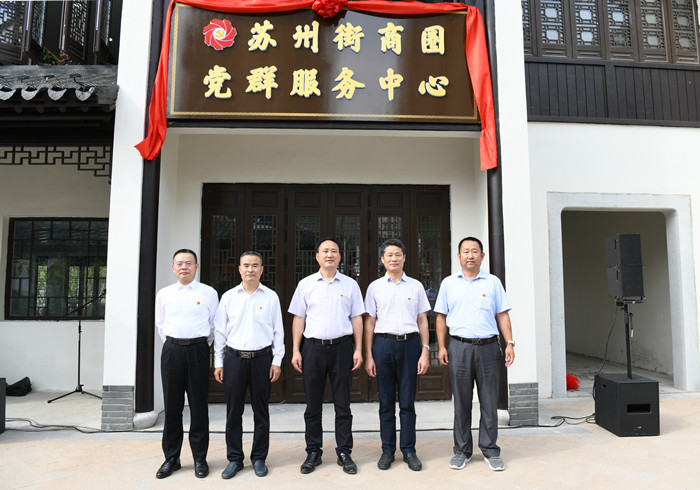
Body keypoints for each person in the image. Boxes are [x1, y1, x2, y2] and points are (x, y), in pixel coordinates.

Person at [435, 237, 515, 472]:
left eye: (474, 251)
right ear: (459, 256)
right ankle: (462, 451)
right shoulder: (449, 283)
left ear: (482, 255)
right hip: (459, 347)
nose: (470, 255)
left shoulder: (493, 283)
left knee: (489, 402)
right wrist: (442, 346)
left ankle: (490, 450)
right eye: (466, 251)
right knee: (461, 402)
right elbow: (440, 317)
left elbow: (502, 314)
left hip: (489, 348)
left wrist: (509, 343)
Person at [289, 238, 365, 475]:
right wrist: (295, 350)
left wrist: (358, 349)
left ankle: (344, 451)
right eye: (325, 251)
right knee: (313, 404)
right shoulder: (306, 284)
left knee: (343, 403)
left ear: (340, 257)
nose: (330, 254)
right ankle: (313, 451)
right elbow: (299, 318)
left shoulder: (350, 285)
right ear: (317, 256)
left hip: (342, 348)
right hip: (313, 349)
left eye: (334, 251)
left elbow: (357, 318)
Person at [213, 251, 285, 479]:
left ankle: (259, 457)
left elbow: (278, 332)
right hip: (234, 359)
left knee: (261, 411)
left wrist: (277, 361)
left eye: (255, 265)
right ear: (240, 269)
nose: (250, 269)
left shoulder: (271, 297)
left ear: (262, 269)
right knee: (233, 411)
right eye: (246, 265)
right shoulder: (228, 297)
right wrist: (218, 362)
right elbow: (219, 332)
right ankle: (234, 458)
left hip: (262, 359)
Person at [364, 238, 431, 471]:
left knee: (407, 402)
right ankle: (387, 450)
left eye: (398, 254)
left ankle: (409, 450)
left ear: (404, 258)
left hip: (410, 345)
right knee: (385, 402)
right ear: (382, 259)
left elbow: (422, 320)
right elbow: (369, 322)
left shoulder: (415, 286)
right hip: (383, 345)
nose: (394, 258)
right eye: (389, 255)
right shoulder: (374, 287)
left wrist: (425, 350)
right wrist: (369, 355)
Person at [154, 249, 219, 479]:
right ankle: (172, 458)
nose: (184, 267)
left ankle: (200, 458)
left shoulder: (208, 293)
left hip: (198, 350)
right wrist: (175, 344)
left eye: (188, 263)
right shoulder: (164, 294)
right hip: (172, 351)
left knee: (199, 406)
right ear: (173, 267)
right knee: (172, 407)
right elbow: (161, 325)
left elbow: (214, 326)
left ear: (196, 266)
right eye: (179, 263)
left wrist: (198, 346)